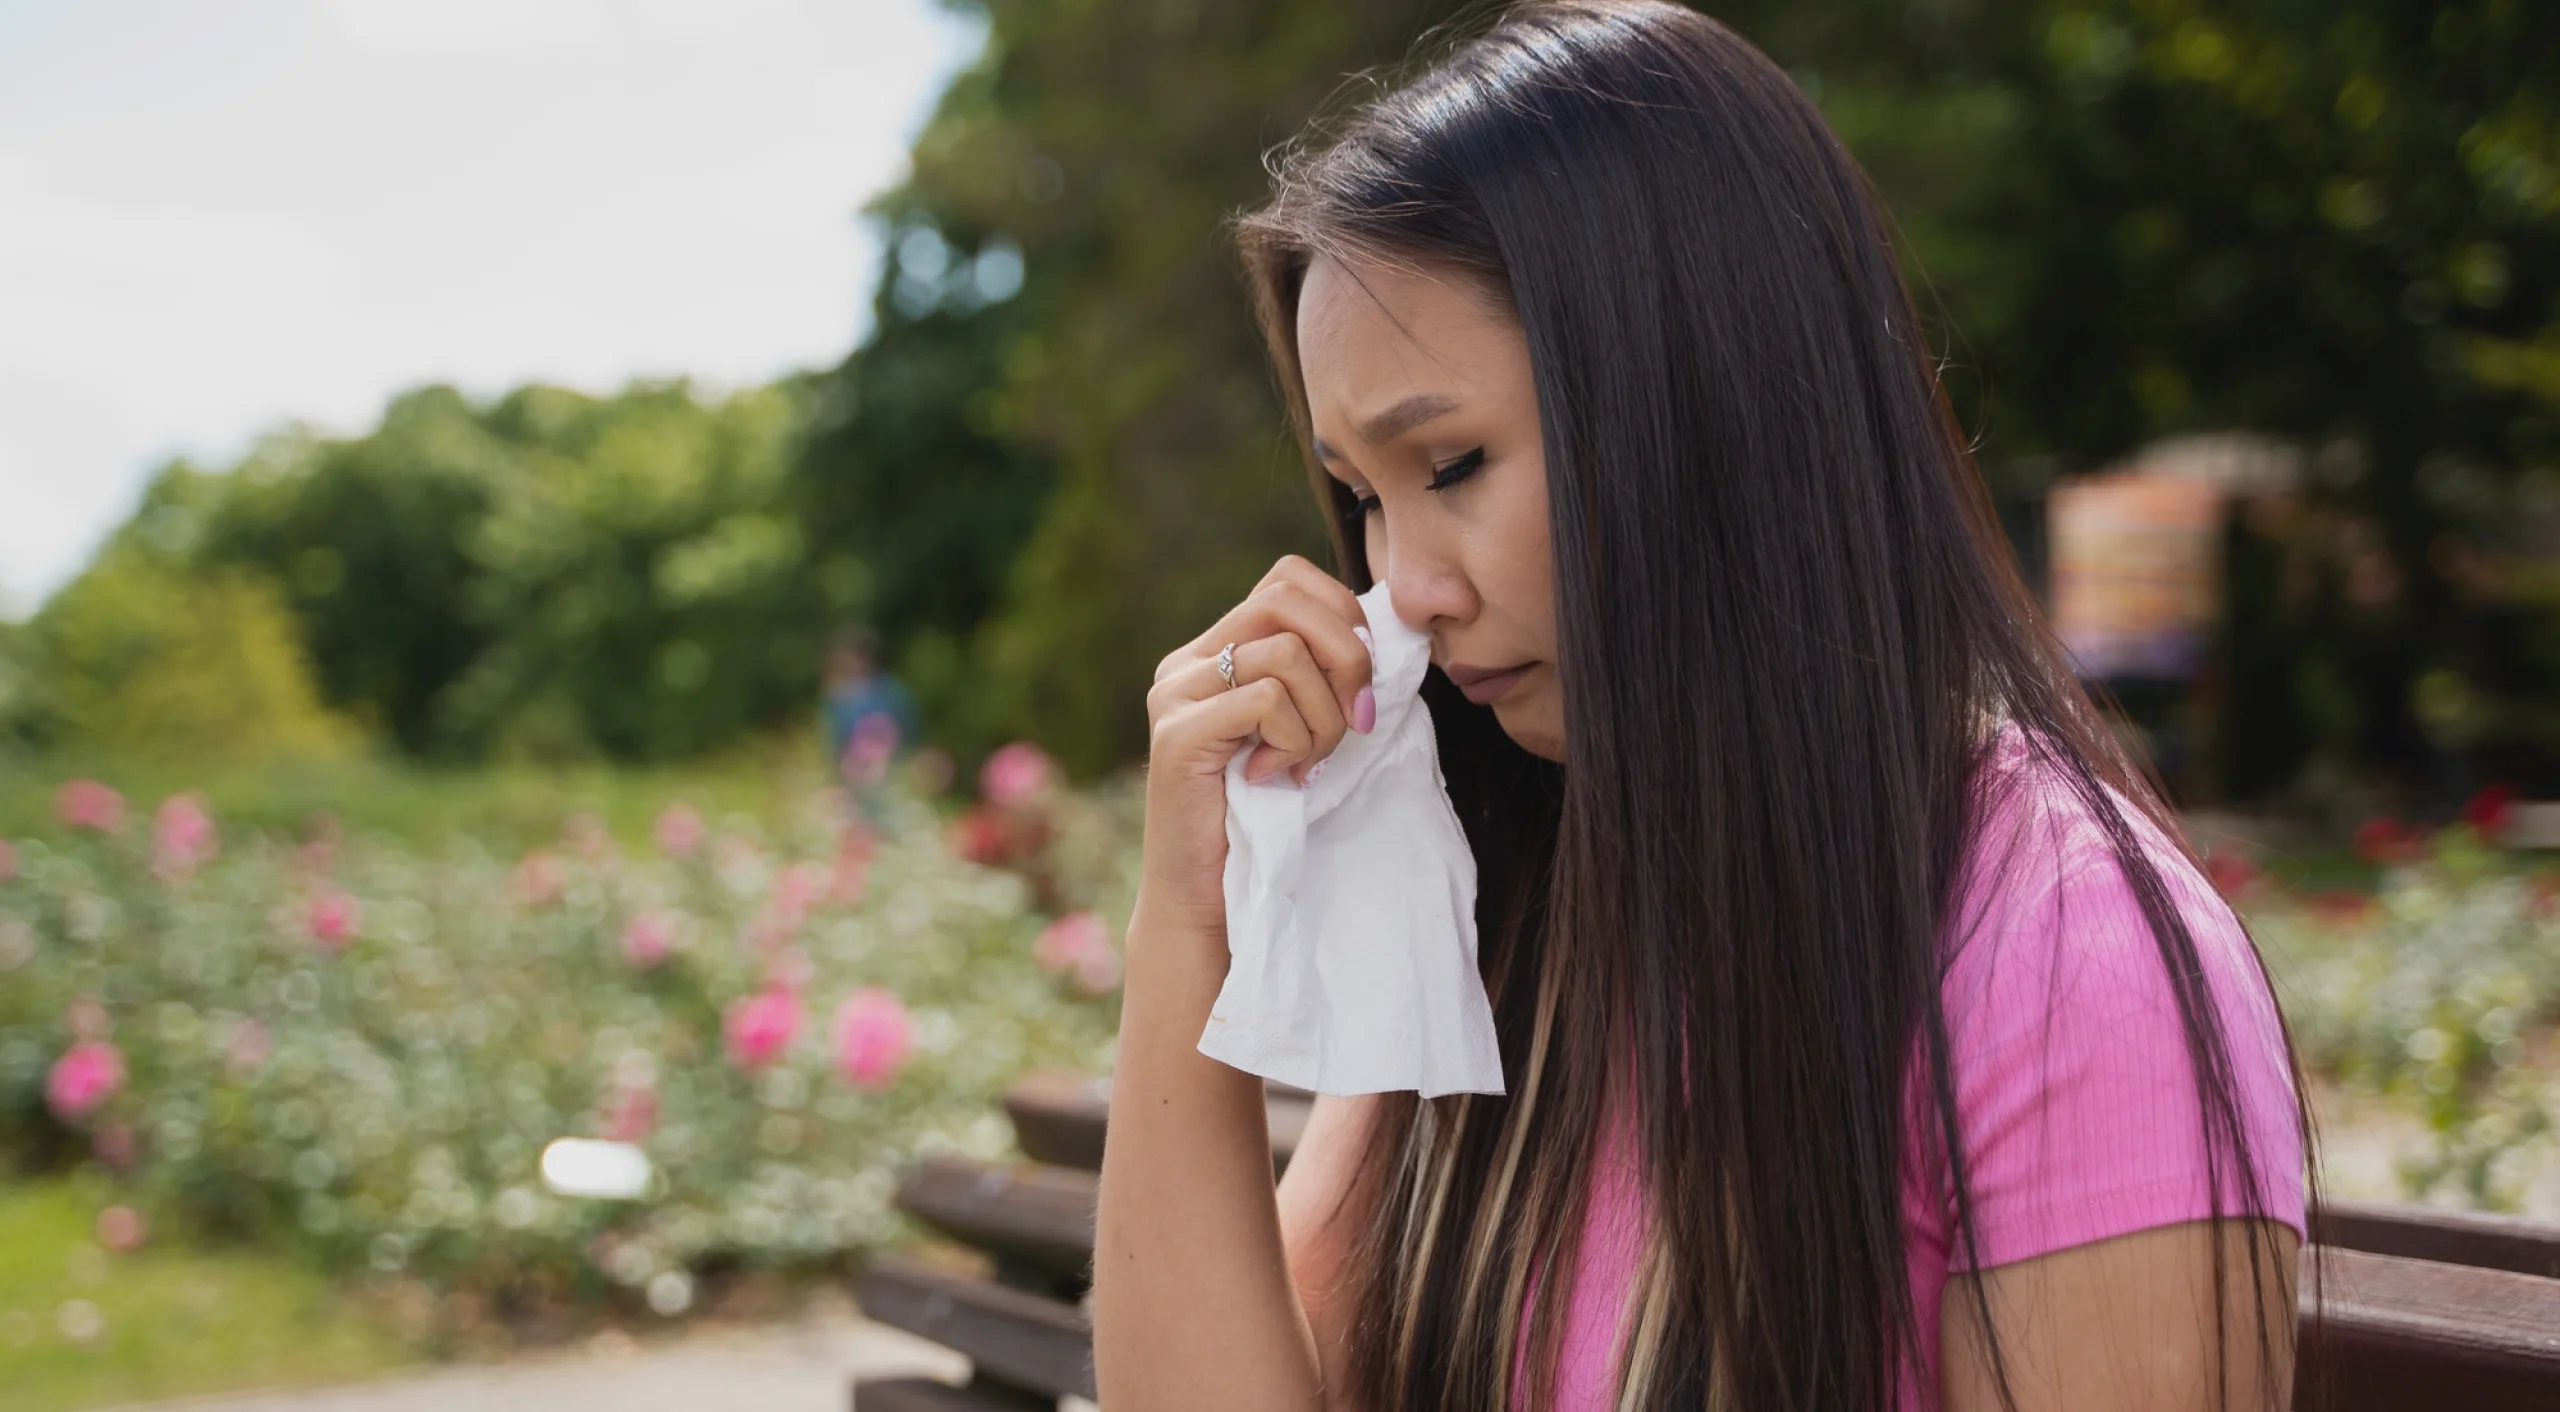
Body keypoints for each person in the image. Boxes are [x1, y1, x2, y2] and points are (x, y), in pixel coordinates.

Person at [1091, 5, 2311, 1411]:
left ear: (1700, 403)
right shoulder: (1504, 909)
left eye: (1453, 462)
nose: (1401, 588)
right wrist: (1187, 921)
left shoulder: (2058, 959)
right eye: (1362, 496)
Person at [820, 626, 920, 813]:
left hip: (890, 775)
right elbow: (833, 745)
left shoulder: (892, 693)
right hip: (851, 778)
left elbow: (910, 738)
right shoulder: (837, 697)